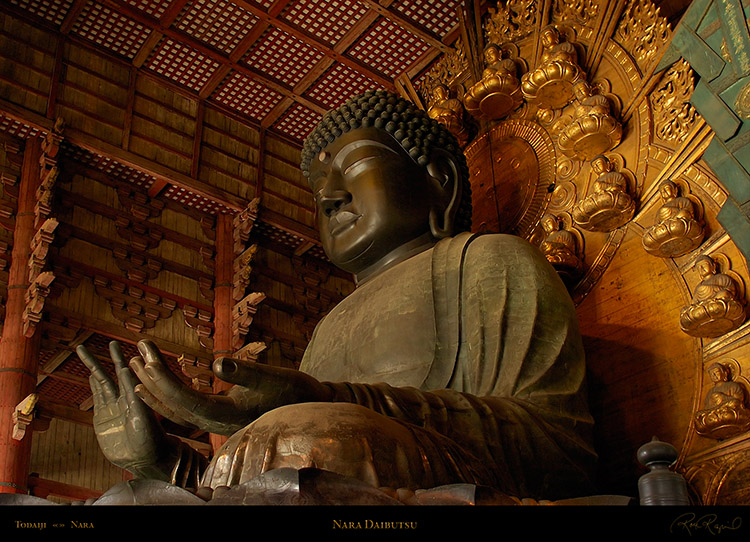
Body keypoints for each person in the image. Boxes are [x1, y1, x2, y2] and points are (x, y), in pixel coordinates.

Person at [79, 90, 596, 501]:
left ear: (438, 180)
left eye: (353, 165)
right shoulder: (330, 324)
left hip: (452, 482)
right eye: (319, 182)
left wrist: (329, 401)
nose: (328, 194)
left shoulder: (490, 261)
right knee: (128, 500)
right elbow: (276, 477)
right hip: (343, 469)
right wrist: (165, 463)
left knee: (307, 433)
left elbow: (558, 453)